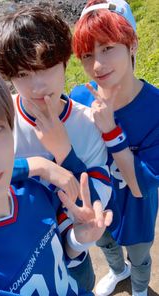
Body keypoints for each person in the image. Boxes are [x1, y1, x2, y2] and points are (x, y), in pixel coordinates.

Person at [0, 6, 114, 292]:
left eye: (47, 68)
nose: (38, 85)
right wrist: (35, 165)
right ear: (9, 76)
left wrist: (64, 153)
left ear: (65, 63)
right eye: (24, 73)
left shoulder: (87, 123)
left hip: (70, 251)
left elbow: (95, 202)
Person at [71, 0, 159, 295]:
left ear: (132, 44)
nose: (96, 65)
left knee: (140, 255)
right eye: (87, 54)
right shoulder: (79, 99)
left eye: (107, 48)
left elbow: (137, 186)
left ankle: (138, 287)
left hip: (138, 208)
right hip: (98, 203)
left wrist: (110, 130)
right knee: (105, 241)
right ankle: (116, 270)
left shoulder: (155, 108)